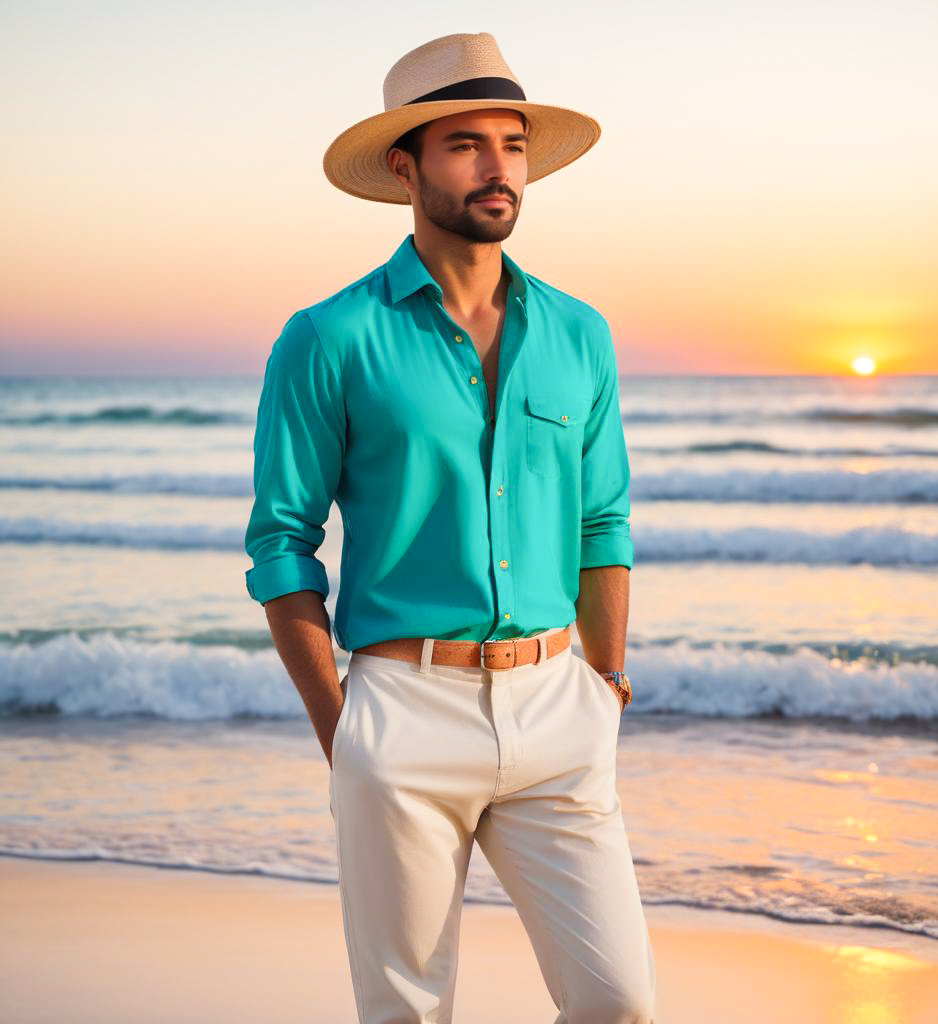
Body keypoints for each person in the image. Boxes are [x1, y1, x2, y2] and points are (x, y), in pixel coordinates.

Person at [243, 31, 655, 1024]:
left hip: (560, 709)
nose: (497, 167)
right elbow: (281, 542)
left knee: (619, 1002)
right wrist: (342, 729)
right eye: (465, 144)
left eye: (510, 145)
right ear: (406, 165)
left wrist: (604, 680)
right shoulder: (329, 336)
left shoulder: (578, 332)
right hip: (402, 708)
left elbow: (603, 520)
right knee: (407, 1012)